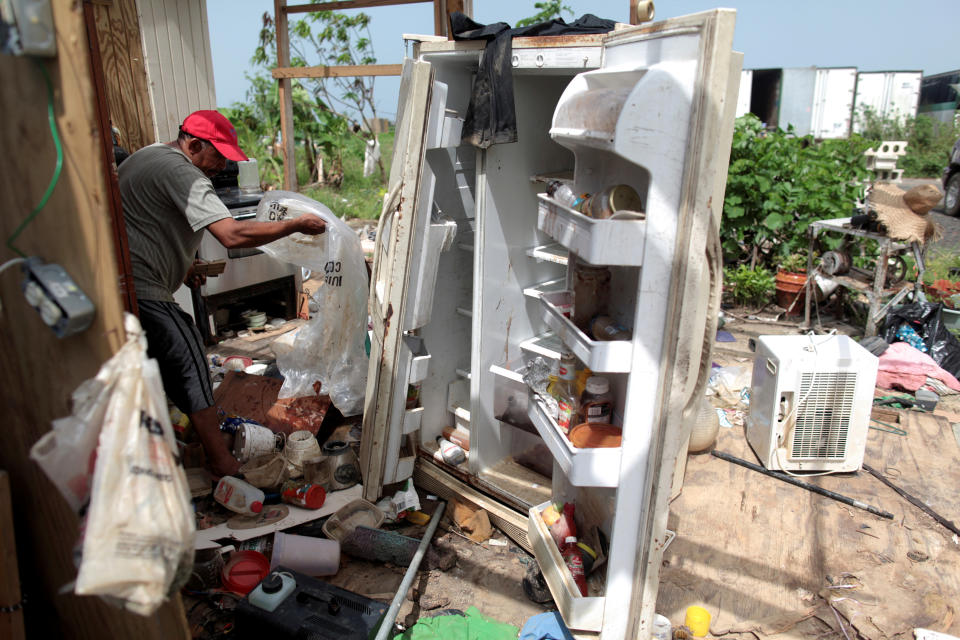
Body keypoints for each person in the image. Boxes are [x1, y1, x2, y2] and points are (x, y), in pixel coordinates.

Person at [119, 110, 326, 476]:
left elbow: (144, 221)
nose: (222, 165)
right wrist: (294, 224)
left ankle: (176, 448)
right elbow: (232, 235)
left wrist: (183, 268)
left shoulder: (148, 155)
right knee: (191, 361)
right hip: (143, 287)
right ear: (194, 144)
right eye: (218, 155)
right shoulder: (184, 172)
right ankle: (221, 462)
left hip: (120, 283)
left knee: (151, 373)